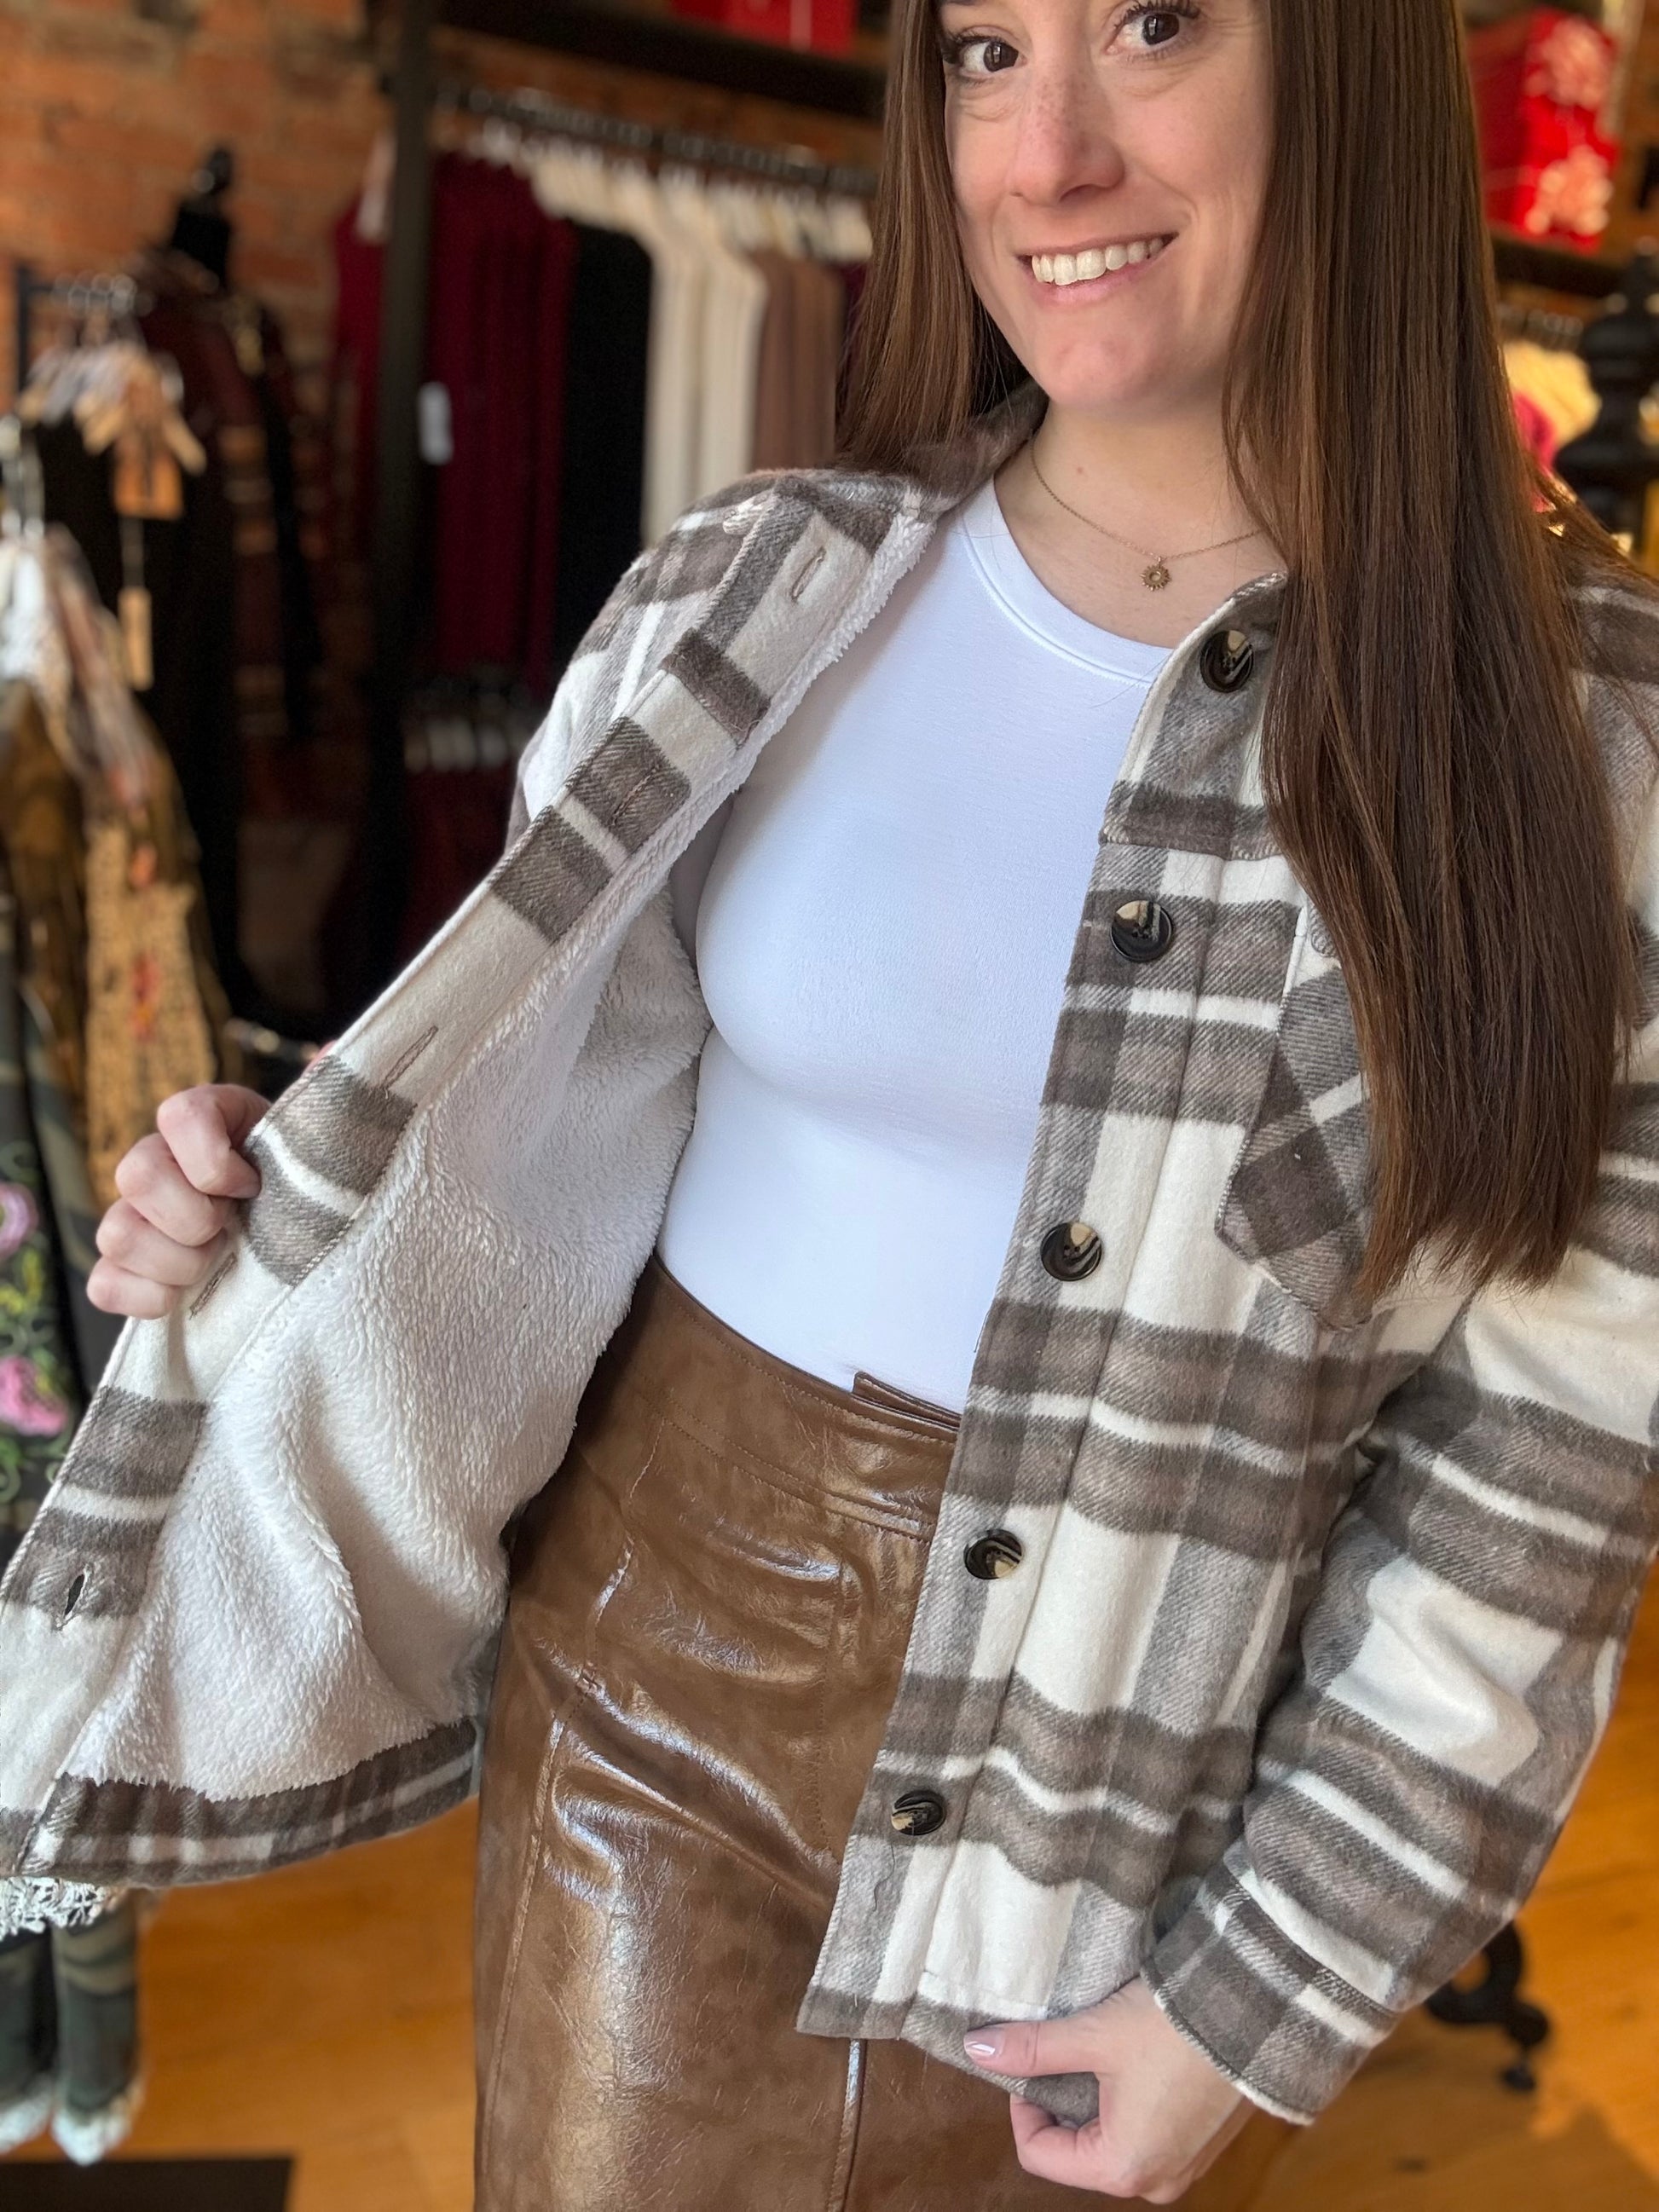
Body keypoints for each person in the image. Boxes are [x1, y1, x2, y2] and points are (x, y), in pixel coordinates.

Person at [9, 0, 1657, 2203]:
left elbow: (1533, 1480)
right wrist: (262, 1198)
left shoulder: (1582, 748)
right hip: (650, 1695)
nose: (1045, 152)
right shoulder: (752, 589)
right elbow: (535, 1139)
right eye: (984, 52)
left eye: (1149, 27)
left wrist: (1261, 1986)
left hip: (1128, 1807)